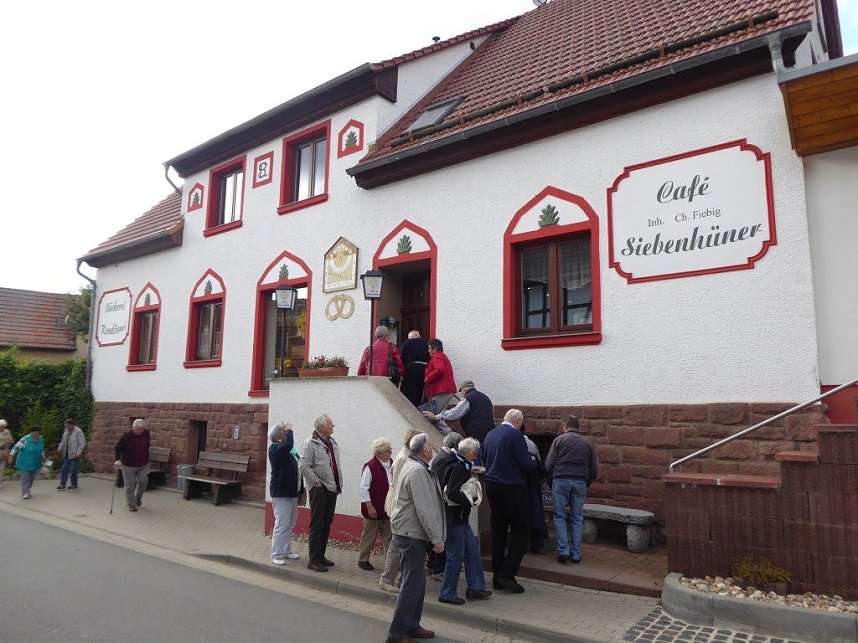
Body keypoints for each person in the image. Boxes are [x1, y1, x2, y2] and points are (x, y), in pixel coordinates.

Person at [386, 433, 445, 643]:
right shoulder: (417, 471)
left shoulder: (415, 466)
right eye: (430, 445)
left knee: (416, 583)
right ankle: (397, 633)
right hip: (411, 534)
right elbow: (425, 509)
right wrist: (437, 538)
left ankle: (411, 626)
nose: (433, 448)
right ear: (425, 450)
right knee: (411, 584)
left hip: (409, 532)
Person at [482, 408, 536, 593]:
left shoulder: (490, 434)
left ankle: (497, 576)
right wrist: (534, 462)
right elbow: (526, 464)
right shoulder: (515, 436)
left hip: (492, 486)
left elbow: (485, 459)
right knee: (522, 531)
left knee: (498, 532)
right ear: (518, 421)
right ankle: (507, 574)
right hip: (512, 488)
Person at [433, 436, 492, 605]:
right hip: (455, 518)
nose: (476, 456)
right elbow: (451, 492)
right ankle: (447, 592)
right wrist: (469, 500)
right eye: (474, 453)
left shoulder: (458, 463)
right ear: (467, 452)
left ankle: (475, 587)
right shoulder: (460, 467)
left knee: (472, 551)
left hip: (459, 518)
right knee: (456, 556)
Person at [545, 416, 599, 564]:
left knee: (559, 516)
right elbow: (594, 468)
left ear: (565, 426)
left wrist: (550, 481)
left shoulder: (558, 440)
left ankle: (563, 551)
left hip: (560, 480)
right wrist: (587, 481)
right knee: (577, 518)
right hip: (580, 482)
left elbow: (548, 464)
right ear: (578, 426)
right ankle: (576, 554)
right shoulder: (588, 443)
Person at [379, 427, 422, 593]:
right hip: (399, 508)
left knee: (399, 545)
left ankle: (398, 578)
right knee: (396, 545)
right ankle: (387, 579)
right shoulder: (403, 459)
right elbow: (398, 486)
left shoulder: (408, 456)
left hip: (401, 507)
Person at [299, 414, 342, 573]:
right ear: (322, 427)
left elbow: (335, 465)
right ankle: (314, 560)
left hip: (332, 488)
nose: (333, 425)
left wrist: (339, 483)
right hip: (319, 489)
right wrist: (316, 483)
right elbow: (303, 465)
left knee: (326, 523)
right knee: (317, 524)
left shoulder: (332, 442)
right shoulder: (310, 443)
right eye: (330, 423)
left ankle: (321, 556)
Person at [268, 421, 304, 565]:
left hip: (291, 492)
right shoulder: (274, 449)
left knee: (290, 523)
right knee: (282, 524)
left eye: (286, 433)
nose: (286, 435)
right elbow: (288, 445)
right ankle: (276, 555)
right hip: (281, 492)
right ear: (278, 437)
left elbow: (298, 461)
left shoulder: (288, 452)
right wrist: (290, 430)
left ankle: (286, 550)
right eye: (284, 433)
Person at [357, 437, 393, 571]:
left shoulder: (392, 464)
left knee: (389, 536)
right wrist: (369, 506)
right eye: (387, 451)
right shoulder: (370, 466)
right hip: (373, 507)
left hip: (388, 507)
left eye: (390, 450)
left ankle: (390, 561)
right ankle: (363, 559)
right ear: (379, 453)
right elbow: (363, 488)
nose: (390, 453)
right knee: (369, 535)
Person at [423, 380, 494, 448]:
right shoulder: (484, 397)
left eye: (461, 392)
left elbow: (454, 413)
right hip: (490, 433)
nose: (462, 394)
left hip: (476, 433)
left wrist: (436, 417)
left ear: (464, 390)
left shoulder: (468, 398)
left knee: (477, 452)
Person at [519, 420, 548, 554]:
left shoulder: (514, 442)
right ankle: (537, 544)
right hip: (533, 483)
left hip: (520, 484)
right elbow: (540, 465)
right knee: (536, 512)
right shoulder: (532, 444)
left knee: (522, 515)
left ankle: (523, 544)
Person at [114, 418, 151, 512]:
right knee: (130, 485)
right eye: (137, 429)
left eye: (141, 430)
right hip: (128, 464)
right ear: (133, 427)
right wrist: (118, 460)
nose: (138, 431)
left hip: (143, 463)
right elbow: (118, 448)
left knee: (143, 481)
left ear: (143, 429)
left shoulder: (146, 434)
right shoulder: (126, 436)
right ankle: (131, 504)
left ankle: (137, 498)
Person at [7, 427, 45, 499]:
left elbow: (41, 449)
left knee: (31, 479)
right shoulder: (25, 439)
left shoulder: (40, 439)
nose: (36, 435)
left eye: (38, 433)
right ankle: (25, 493)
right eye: (35, 433)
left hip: (35, 463)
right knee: (25, 478)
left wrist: (43, 457)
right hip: (24, 462)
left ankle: (27, 490)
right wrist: (11, 456)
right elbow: (15, 448)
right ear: (31, 433)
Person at [420, 338, 456, 413]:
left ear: (435, 349)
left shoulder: (437, 356)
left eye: (429, 348)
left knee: (432, 414)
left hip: (441, 391)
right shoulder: (441, 356)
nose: (428, 350)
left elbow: (440, 369)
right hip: (444, 390)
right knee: (437, 415)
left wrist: (428, 378)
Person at [400, 330, 430, 407]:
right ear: (419, 336)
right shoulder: (427, 343)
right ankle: (420, 407)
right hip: (425, 368)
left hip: (411, 368)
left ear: (410, 338)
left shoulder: (406, 343)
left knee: (410, 390)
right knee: (422, 390)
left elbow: (402, 358)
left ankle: (411, 407)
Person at [57, 419, 86, 490]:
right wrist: (60, 447)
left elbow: (82, 443)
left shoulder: (78, 432)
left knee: (73, 469)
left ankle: (74, 484)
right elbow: (63, 441)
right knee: (64, 468)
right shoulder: (66, 431)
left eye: (67, 426)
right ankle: (62, 484)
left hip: (74, 454)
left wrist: (79, 452)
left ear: (71, 425)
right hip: (66, 453)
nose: (65, 427)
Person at [0, 419, 13, 489]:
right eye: (1, 426)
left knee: (1, 468)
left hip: (4, 451)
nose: (2, 427)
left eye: (3, 426)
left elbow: (11, 440)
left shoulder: (7, 432)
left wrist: (9, 442)